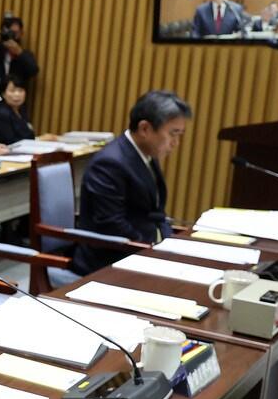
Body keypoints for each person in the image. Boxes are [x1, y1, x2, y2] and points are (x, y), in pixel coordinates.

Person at [72, 90, 192, 275]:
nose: (175, 143)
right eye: (173, 134)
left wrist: (169, 244)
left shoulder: (145, 154)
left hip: (141, 251)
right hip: (110, 262)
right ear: (145, 129)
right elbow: (112, 227)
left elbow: (155, 213)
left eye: (180, 135)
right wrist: (153, 251)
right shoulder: (110, 163)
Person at [0, 15, 38, 98]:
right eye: (9, 32)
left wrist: (20, 53)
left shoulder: (24, 54)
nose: (12, 35)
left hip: (15, 97)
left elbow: (33, 70)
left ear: (21, 34)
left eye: (16, 33)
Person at [0, 75, 57, 144]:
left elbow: (29, 135)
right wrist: (39, 139)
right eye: (12, 91)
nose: (17, 94)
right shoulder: (0, 113)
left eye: (20, 90)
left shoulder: (21, 110)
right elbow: (9, 141)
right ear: (3, 94)